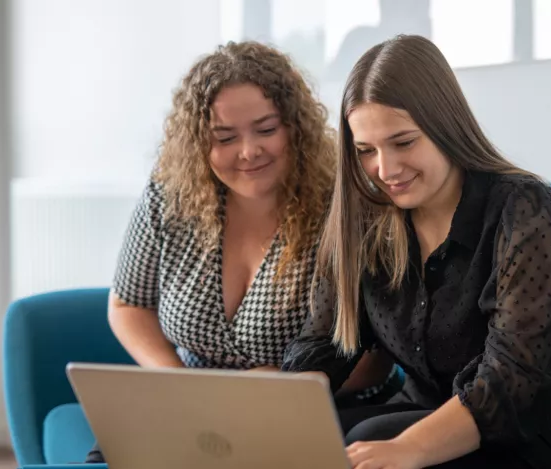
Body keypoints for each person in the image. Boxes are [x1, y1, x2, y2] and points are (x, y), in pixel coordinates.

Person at [282, 35, 551, 469]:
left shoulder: (525, 209)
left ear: (446, 125)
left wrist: (409, 449)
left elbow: (516, 383)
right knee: (315, 441)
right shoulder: (365, 220)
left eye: (404, 142)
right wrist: (284, 413)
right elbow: (323, 346)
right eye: (366, 151)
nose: (385, 170)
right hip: (429, 409)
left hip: (543, 421)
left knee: (368, 437)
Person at [85, 41, 400, 463]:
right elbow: (127, 304)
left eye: (266, 130)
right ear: (199, 141)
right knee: (109, 455)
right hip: (194, 404)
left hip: (323, 407)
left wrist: (290, 384)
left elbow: (379, 356)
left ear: (295, 126)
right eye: (225, 137)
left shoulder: (346, 208)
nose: (248, 151)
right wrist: (180, 387)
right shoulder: (169, 196)